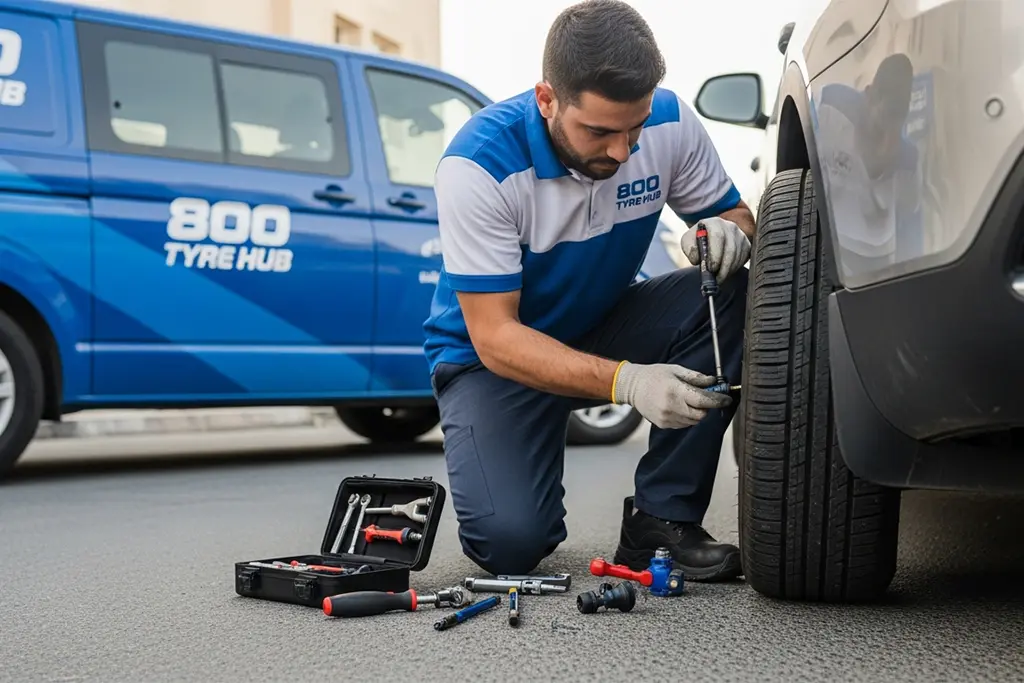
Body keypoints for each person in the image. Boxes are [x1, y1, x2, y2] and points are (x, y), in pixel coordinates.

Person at [422, 0, 755, 581]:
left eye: (635, 129)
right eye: (599, 131)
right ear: (547, 99)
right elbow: (497, 336)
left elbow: (734, 215)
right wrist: (627, 381)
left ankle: (662, 518)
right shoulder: (479, 165)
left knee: (729, 290)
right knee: (511, 547)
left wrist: (726, 234)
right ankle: (520, 452)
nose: (622, 152)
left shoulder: (671, 122)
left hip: (602, 321)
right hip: (491, 362)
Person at [815, 53, 924, 276]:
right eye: (884, 112)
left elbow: (909, 217)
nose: (885, 127)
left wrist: (891, 148)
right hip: (826, 241)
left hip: (875, 257)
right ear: (869, 94)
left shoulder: (908, 160)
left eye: (897, 115)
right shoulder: (831, 108)